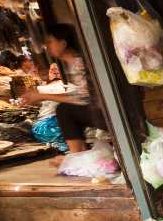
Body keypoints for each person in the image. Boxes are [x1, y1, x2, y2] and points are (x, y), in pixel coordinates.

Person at [20, 24, 104, 154]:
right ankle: (79, 153)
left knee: (64, 110)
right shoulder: (72, 63)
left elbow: (83, 99)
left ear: (63, 43)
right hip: (99, 111)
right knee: (65, 109)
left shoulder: (80, 62)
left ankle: (76, 155)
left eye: (50, 41)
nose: (47, 46)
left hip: (107, 113)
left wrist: (42, 95)